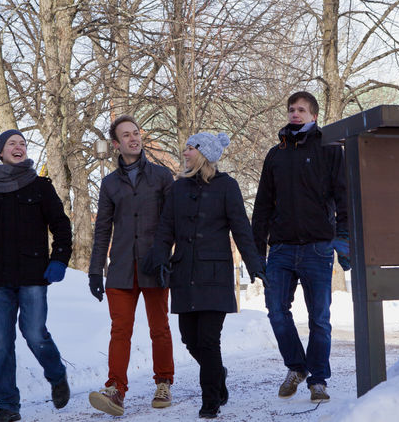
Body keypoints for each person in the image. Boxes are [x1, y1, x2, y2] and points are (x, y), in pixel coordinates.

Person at [146, 132, 268, 419]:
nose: (185, 152)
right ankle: (217, 373)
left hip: (215, 274)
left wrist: (255, 264)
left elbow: (241, 229)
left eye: (190, 148)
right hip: (184, 273)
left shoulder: (227, 186)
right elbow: (165, 230)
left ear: (204, 153)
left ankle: (210, 400)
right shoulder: (178, 188)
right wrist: (160, 258)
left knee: (209, 340)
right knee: (190, 338)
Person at [0, 129, 72, 422]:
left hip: (33, 274)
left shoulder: (40, 187)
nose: (19, 147)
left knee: (34, 333)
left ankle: (56, 374)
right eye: (12, 144)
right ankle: (7, 405)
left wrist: (59, 260)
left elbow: (61, 225)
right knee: (1, 345)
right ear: (1, 152)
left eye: (22, 143)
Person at [251, 91, 350, 404]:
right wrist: (257, 252)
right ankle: (297, 366)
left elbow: (344, 196)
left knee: (319, 318)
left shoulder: (329, 149)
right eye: (292, 109)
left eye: (302, 110)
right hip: (281, 248)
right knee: (276, 311)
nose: (295, 113)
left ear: (314, 116)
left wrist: (343, 237)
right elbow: (262, 205)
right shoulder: (275, 155)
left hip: (317, 248)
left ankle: (318, 380)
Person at [87, 115, 175, 417]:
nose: (133, 138)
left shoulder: (162, 177)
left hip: (154, 265)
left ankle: (163, 382)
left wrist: (166, 255)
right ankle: (115, 389)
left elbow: (172, 222)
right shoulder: (110, 183)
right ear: (116, 144)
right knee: (120, 330)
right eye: (126, 135)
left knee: (159, 328)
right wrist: (95, 270)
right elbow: (102, 229)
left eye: (136, 133)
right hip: (122, 268)